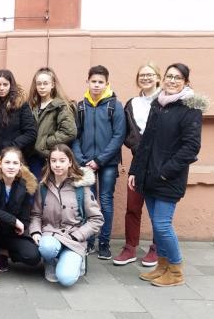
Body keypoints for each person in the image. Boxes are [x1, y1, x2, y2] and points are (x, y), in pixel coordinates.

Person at [128, 63, 207, 287]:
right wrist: (136, 171)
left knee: (162, 225)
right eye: (169, 76)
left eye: (178, 78)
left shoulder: (190, 109)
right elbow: (145, 143)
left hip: (168, 178)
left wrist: (165, 173)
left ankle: (176, 270)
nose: (172, 81)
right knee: (157, 224)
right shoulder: (159, 104)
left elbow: (191, 148)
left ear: (186, 82)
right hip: (148, 175)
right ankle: (162, 266)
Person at [72, 65, 126, 260]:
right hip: (85, 162)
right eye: (93, 81)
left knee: (105, 201)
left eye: (100, 82)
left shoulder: (115, 106)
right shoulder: (80, 106)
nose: (96, 85)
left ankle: (104, 243)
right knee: (87, 202)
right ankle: (89, 241)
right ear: (87, 82)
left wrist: (99, 160)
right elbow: (75, 136)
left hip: (107, 163)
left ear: (107, 84)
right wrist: (81, 159)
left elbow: (119, 136)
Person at [30, 144, 104, 286]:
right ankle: (50, 261)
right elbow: (35, 214)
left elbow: (96, 219)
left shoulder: (81, 187)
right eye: (53, 161)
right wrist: (35, 231)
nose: (57, 165)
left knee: (66, 279)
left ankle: (76, 260)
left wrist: (79, 235)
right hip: (50, 236)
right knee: (46, 247)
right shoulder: (43, 186)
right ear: (49, 162)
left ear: (70, 162)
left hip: (73, 239)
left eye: (62, 161)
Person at [113, 62, 162, 267]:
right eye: (142, 75)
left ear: (158, 77)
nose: (146, 78)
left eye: (150, 74)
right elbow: (127, 133)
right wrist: (140, 148)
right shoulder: (132, 103)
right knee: (133, 206)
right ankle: (130, 247)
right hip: (138, 161)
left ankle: (157, 248)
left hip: (160, 162)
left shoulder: (166, 101)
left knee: (158, 210)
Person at [0, 147, 40, 289]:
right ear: (0, 164)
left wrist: (19, 224)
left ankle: (2, 250)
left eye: (15, 163)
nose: (11, 167)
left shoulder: (25, 185)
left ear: (20, 166)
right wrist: (14, 220)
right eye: (7, 162)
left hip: (8, 232)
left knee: (33, 256)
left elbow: (24, 217)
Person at [27, 67, 77, 179]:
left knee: (50, 192)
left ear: (53, 85)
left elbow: (69, 132)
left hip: (52, 157)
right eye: (39, 84)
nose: (42, 87)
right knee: (34, 192)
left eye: (45, 83)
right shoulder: (31, 106)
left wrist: (44, 143)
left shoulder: (61, 106)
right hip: (33, 158)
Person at [0, 69, 37, 158]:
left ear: (11, 85)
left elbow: (31, 132)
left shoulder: (21, 104)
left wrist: (12, 147)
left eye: (5, 84)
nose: (1, 88)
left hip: (15, 155)